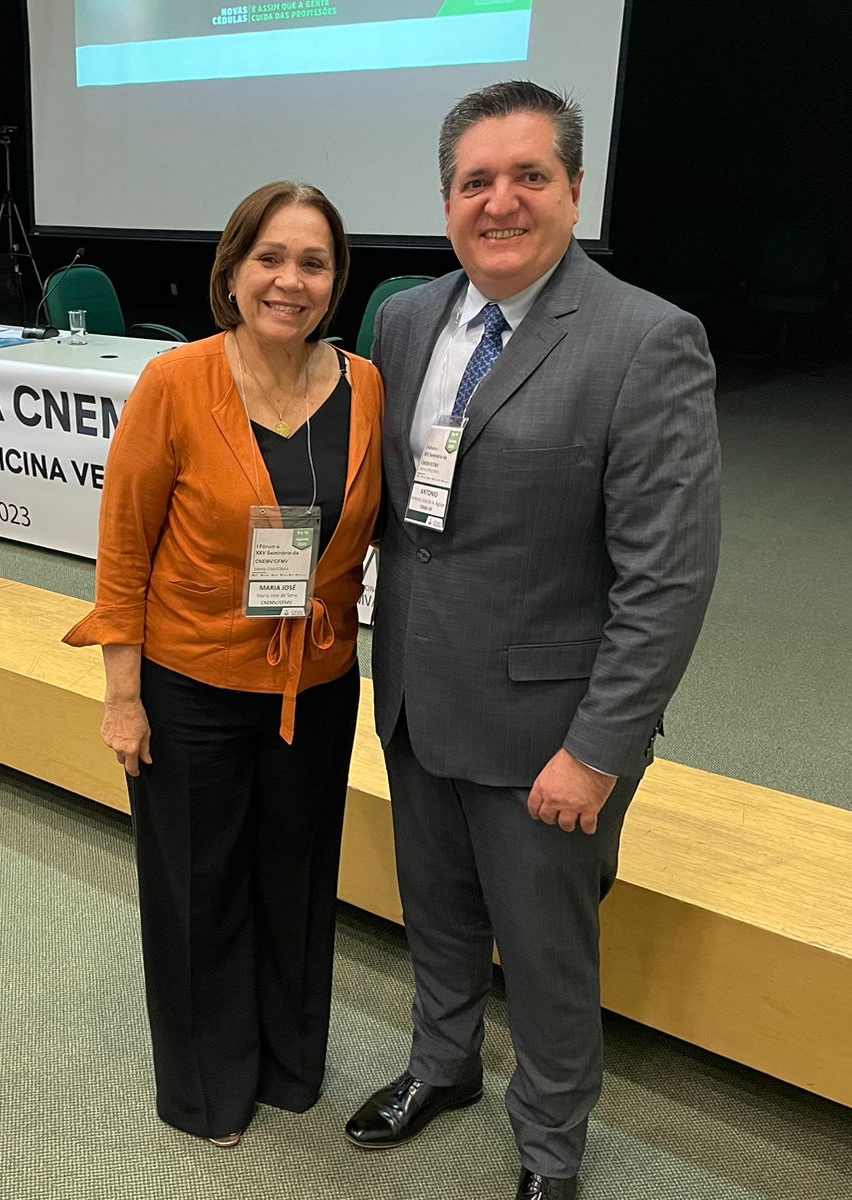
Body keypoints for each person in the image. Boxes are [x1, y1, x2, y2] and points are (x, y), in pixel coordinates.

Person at [345, 82, 721, 1200]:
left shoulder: (646, 341)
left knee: (549, 959)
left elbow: (669, 578)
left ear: (572, 189)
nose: (499, 202)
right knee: (436, 911)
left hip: (550, 729)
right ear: (446, 198)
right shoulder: (406, 319)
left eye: (528, 177)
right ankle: (440, 1064)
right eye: (475, 181)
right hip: (416, 692)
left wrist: (598, 748)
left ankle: (550, 1153)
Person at [63, 182, 383, 1148]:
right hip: (192, 683)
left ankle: (290, 1067)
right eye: (270, 258)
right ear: (233, 270)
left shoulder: (366, 386)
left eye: (314, 263)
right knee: (199, 892)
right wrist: (124, 698)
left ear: (336, 281)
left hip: (317, 684)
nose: (291, 280)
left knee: (296, 880)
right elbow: (124, 550)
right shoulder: (177, 382)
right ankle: (208, 1091)